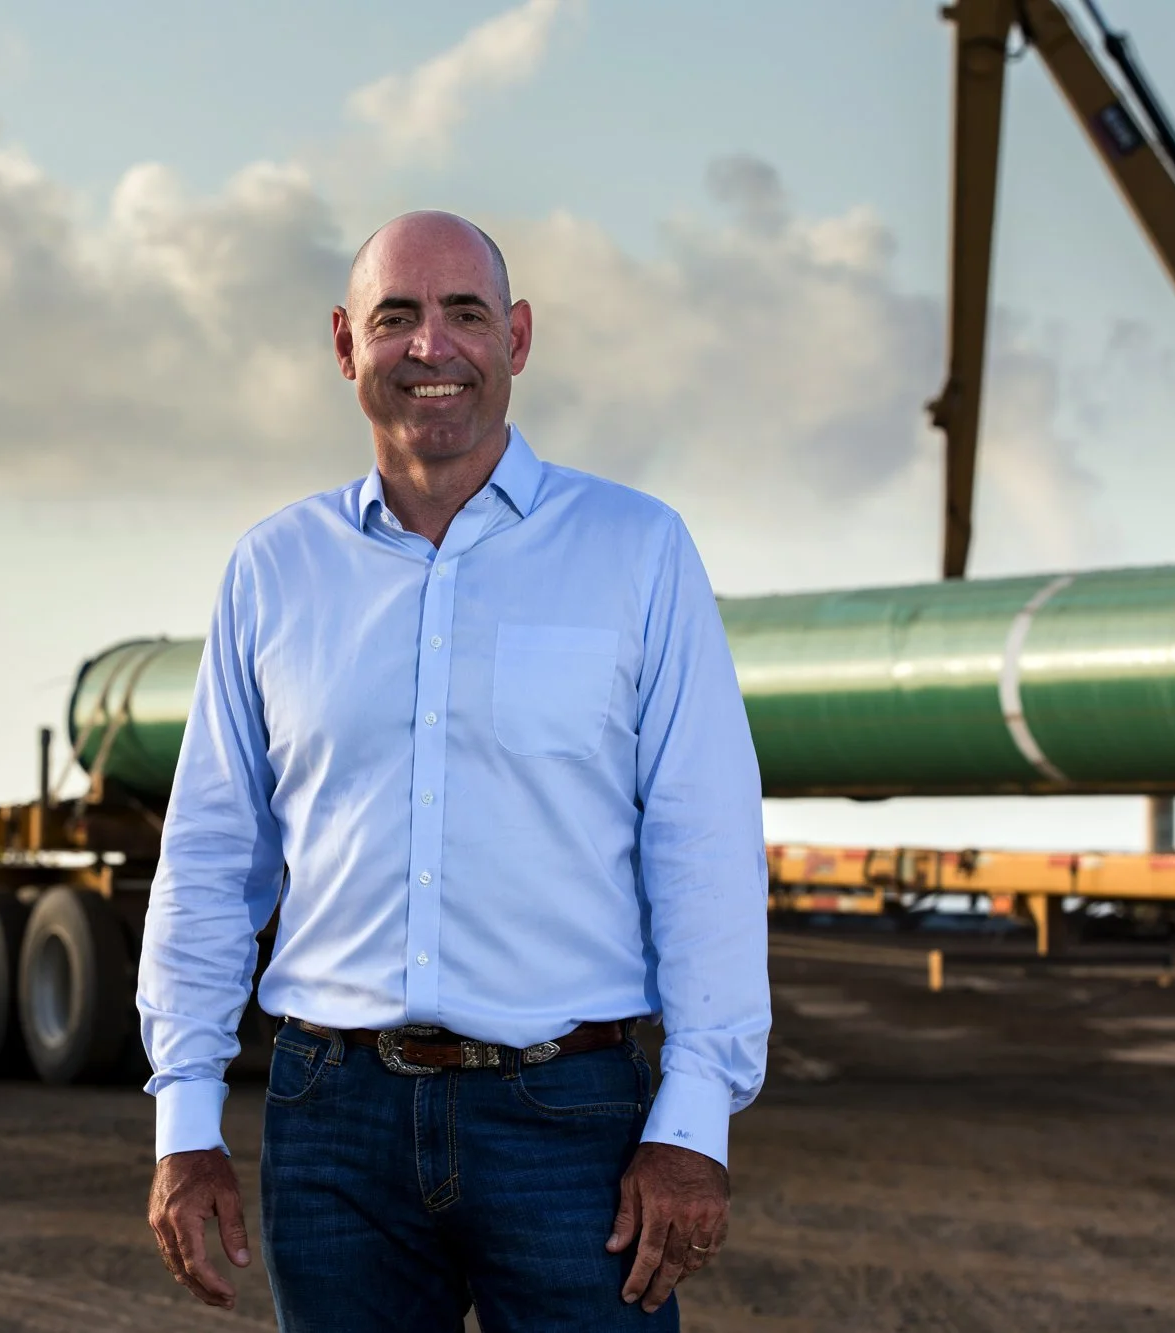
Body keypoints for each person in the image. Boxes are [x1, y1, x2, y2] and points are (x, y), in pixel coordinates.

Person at [138, 210, 770, 1331]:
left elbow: (704, 845)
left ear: (516, 337)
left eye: (464, 314)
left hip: (569, 1117)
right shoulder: (273, 569)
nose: (431, 347)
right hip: (329, 1122)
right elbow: (209, 856)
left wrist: (693, 1119)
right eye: (396, 318)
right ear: (345, 344)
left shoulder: (635, 550)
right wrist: (185, 1120)